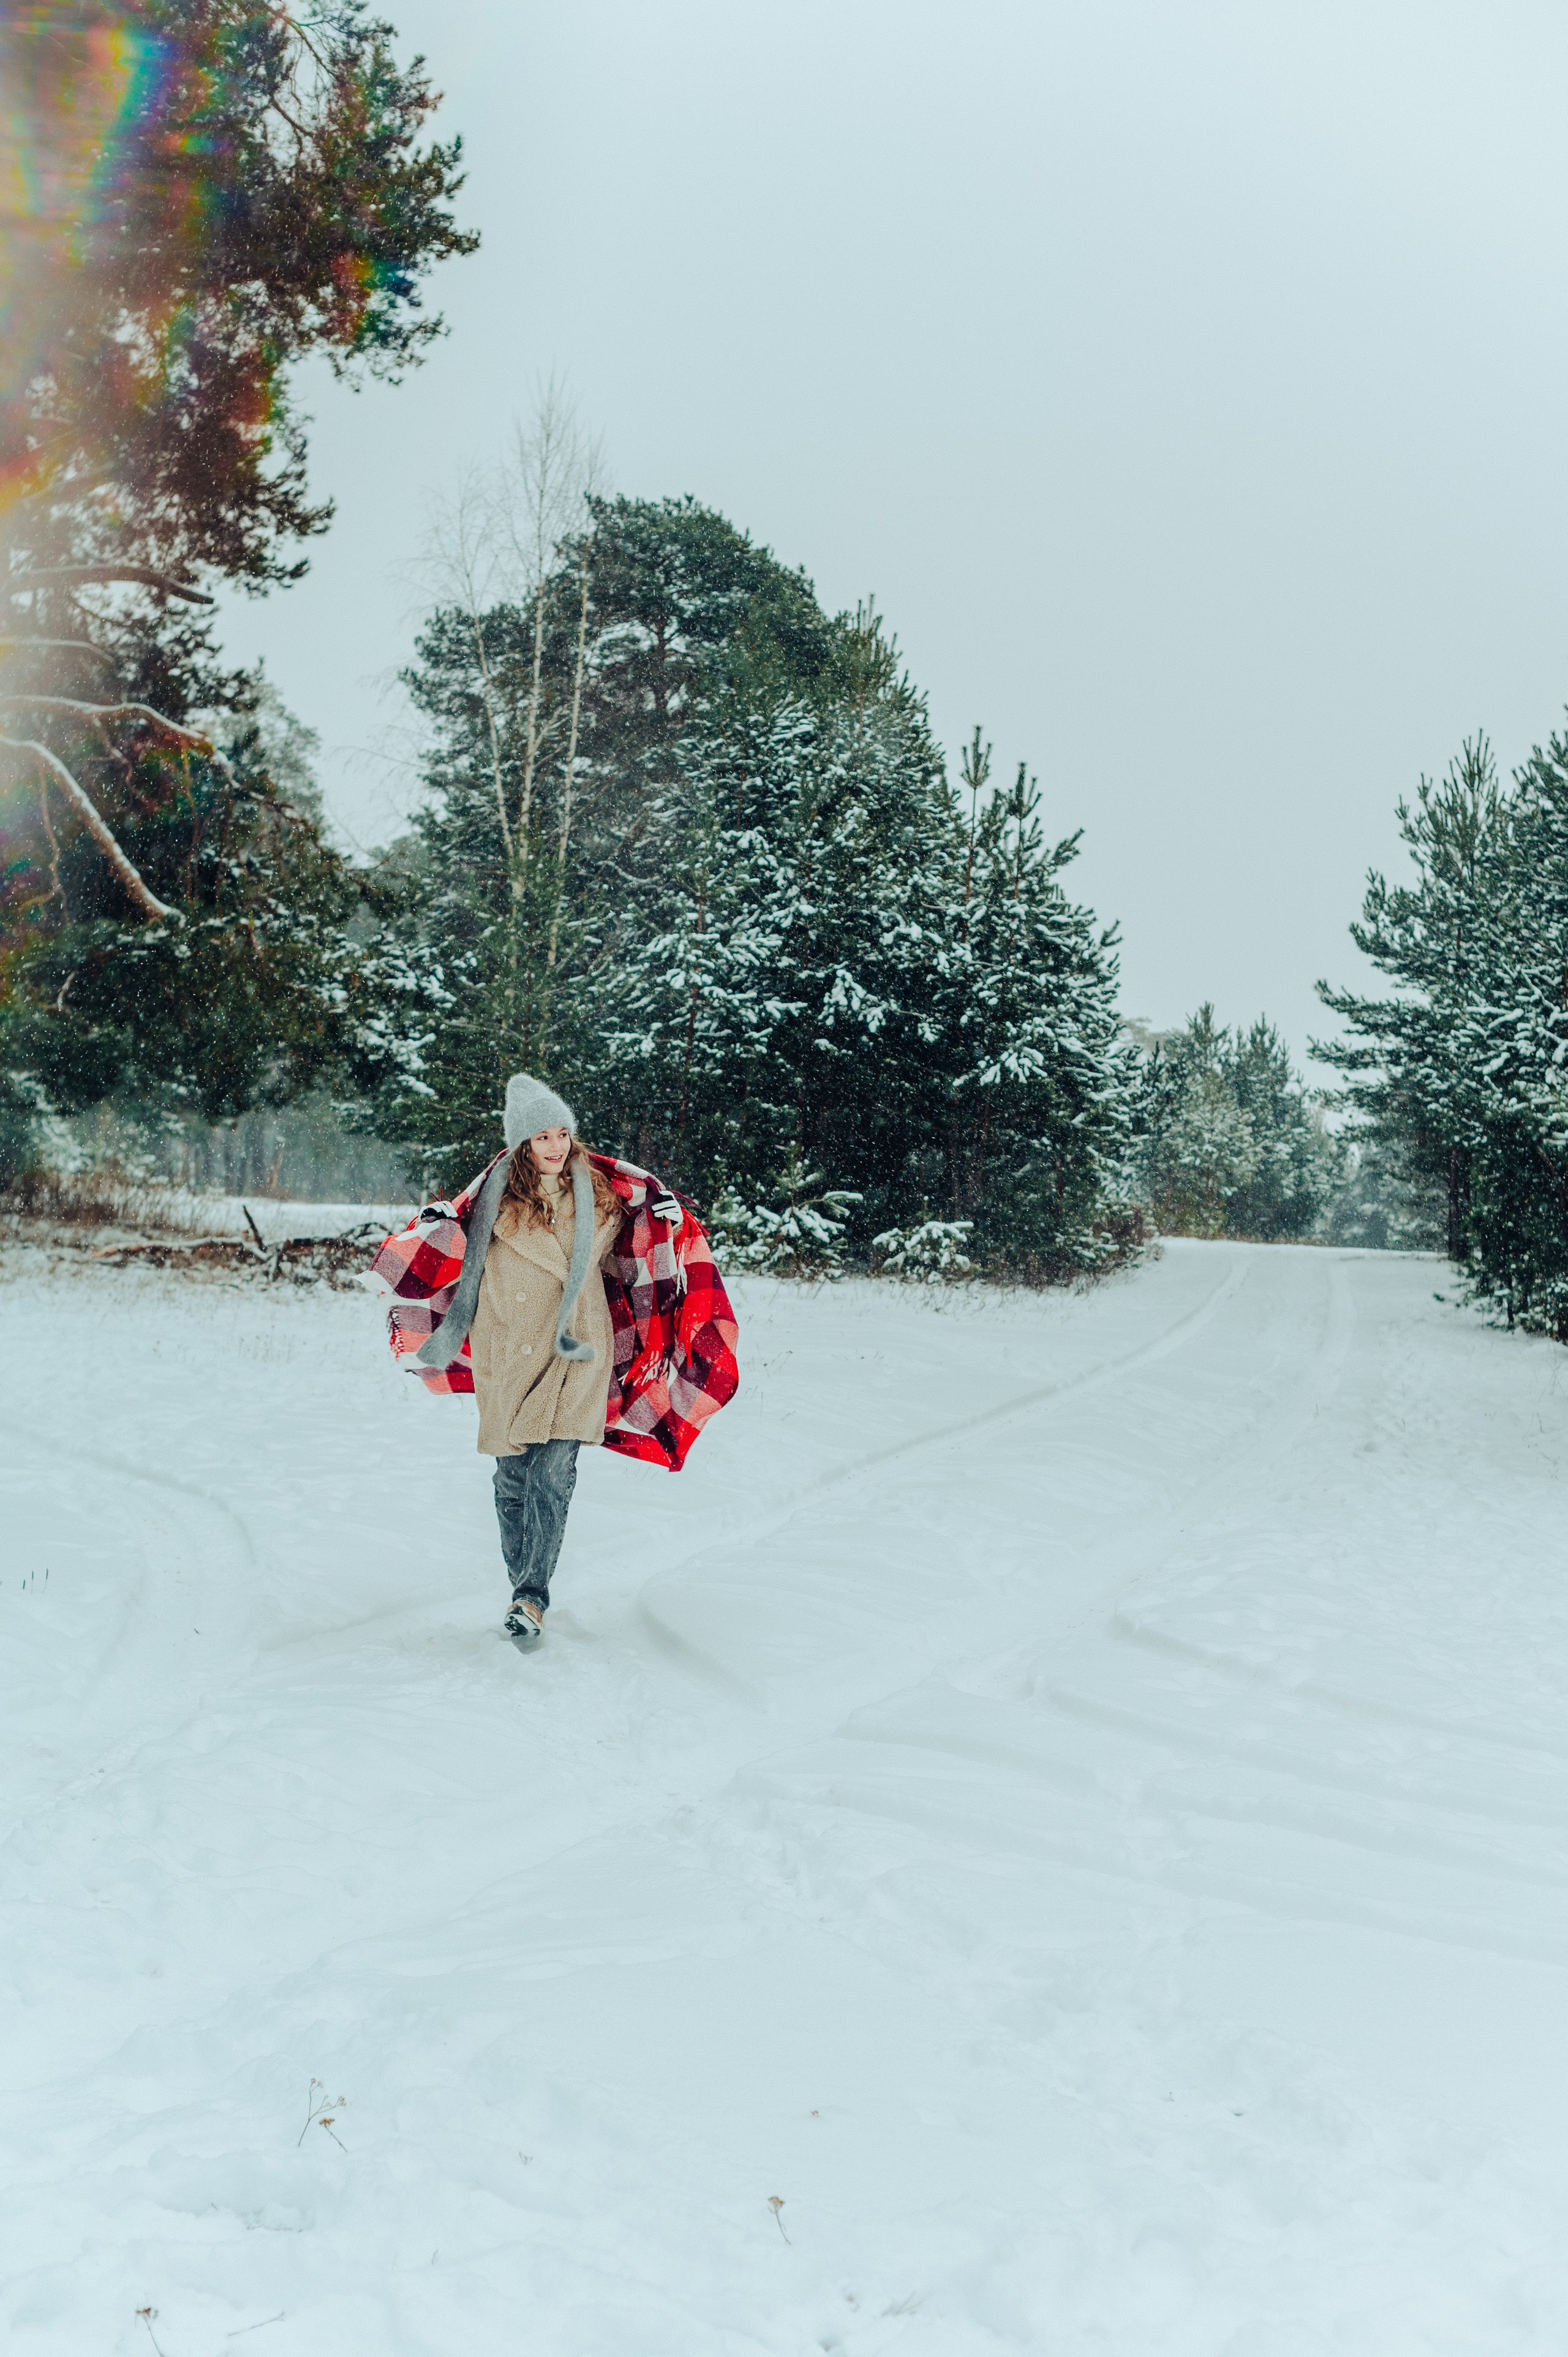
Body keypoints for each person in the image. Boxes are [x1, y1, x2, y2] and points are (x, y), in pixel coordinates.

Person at [373, 1071, 740, 1653]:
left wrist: (667, 1219)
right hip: (507, 1351)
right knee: (512, 1478)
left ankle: (531, 1596)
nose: (555, 1146)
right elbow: (442, 1249)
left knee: (552, 1473)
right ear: (522, 1143)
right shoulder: (489, 1202)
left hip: (576, 1351)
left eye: (562, 1133)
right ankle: (523, 1581)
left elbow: (635, 1247)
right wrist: (432, 1229)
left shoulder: (599, 1197)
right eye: (542, 1135)